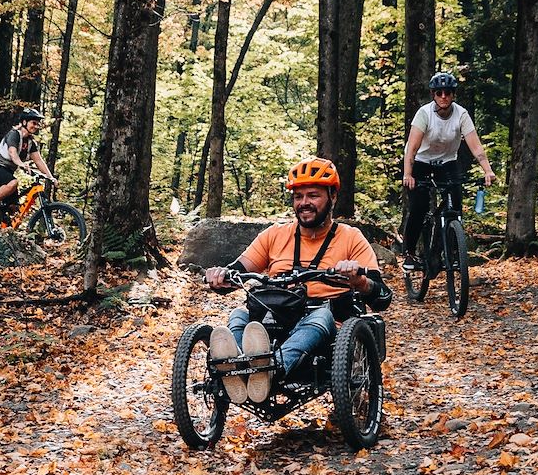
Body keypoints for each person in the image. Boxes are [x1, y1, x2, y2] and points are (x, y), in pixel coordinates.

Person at [205, 157, 392, 404]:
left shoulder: (350, 238)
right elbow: (238, 270)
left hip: (327, 329)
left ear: (332, 197)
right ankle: (238, 370)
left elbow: (382, 297)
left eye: (313, 195)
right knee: (239, 315)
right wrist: (219, 276)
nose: (304, 203)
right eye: (298, 196)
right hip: (276, 319)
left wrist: (358, 280)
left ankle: (271, 371)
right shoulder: (274, 235)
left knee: (321, 315)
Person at [401, 72, 496, 270]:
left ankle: (452, 252)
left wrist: (487, 170)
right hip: (421, 161)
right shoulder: (424, 114)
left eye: (448, 93)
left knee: (455, 206)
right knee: (418, 207)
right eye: (439, 93)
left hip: (447, 162)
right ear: (433, 95)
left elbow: (476, 147)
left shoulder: (461, 115)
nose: (443, 96)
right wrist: (408, 174)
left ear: (453, 95)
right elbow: (412, 147)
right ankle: (409, 254)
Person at [0, 108, 57, 228]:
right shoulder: (14, 134)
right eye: (34, 122)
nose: (36, 126)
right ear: (24, 122)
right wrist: (21, 164)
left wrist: (50, 177)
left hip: (6, 171)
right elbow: (13, 153)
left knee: (13, 208)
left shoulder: (31, 143)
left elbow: (39, 161)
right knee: (13, 182)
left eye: (38, 124)